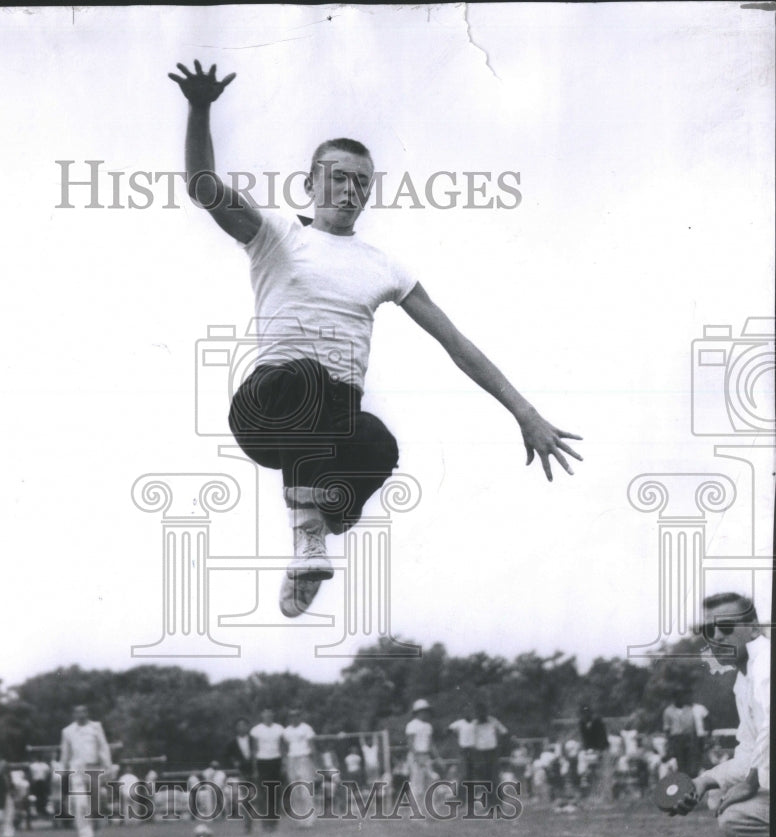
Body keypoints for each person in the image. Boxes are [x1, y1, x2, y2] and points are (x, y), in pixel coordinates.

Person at [169, 60, 583, 618]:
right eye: (337, 177)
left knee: (379, 443)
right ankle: (309, 532)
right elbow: (204, 189)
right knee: (308, 377)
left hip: (333, 419)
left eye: (361, 181)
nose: (349, 189)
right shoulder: (278, 236)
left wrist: (523, 411)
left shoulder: (384, 267)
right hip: (267, 409)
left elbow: (454, 341)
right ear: (309, 183)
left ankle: (329, 515)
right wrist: (200, 108)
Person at [673, 593, 769, 837]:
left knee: (738, 816)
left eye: (726, 627)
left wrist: (750, 784)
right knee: (722, 800)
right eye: (708, 629)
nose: (716, 636)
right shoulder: (744, 678)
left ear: (753, 629)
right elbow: (750, 751)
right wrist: (705, 780)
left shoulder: (766, 665)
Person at [59, 704, 112, 837]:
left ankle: (93, 829)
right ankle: (86, 835)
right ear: (73, 715)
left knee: (95, 805)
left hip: (94, 768)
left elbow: (103, 746)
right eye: (77, 712)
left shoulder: (96, 727)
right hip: (76, 769)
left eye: (83, 712)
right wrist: (62, 772)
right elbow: (65, 754)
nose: (81, 715)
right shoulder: (68, 731)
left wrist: (108, 766)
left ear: (87, 713)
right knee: (81, 803)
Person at [282, 708, 319, 827]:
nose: (294, 718)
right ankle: (300, 819)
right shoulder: (286, 731)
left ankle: (309, 819)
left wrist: (315, 764)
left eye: (296, 716)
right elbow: (285, 748)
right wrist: (285, 762)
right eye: (292, 716)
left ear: (300, 717)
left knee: (306, 790)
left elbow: (312, 747)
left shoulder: (306, 728)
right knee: (295, 790)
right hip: (292, 760)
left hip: (304, 758)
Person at [250, 708, 285, 831]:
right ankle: (265, 821)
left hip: (276, 760)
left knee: (274, 792)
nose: (268, 716)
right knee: (263, 793)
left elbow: (282, 747)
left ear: (273, 715)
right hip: (262, 761)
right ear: (262, 715)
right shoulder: (256, 730)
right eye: (265, 714)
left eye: (270, 714)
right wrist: (254, 768)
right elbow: (254, 750)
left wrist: (283, 764)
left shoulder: (279, 729)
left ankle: (273, 821)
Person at [467, 701, 508, 806]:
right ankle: (489, 803)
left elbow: (504, 732)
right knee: (483, 778)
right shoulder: (473, 724)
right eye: (478, 712)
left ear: (486, 712)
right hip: (479, 753)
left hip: (492, 753)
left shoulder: (493, 721)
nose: (481, 714)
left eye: (482, 711)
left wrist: (500, 746)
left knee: (494, 777)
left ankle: (498, 802)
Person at [405, 699, 437, 816]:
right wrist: (417, 757)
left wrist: (437, 758)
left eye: (427, 711)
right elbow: (410, 743)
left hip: (426, 755)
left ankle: (427, 811)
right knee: (416, 785)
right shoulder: (412, 725)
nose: (426, 713)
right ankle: (415, 813)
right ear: (418, 712)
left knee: (429, 783)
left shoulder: (428, 726)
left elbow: (431, 743)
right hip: (416, 756)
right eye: (424, 711)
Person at [662, 690, 699, 777]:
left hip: (688, 738)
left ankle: (690, 779)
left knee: (690, 762)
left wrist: (694, 739)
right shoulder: (668, 711)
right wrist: (669, 744)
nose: (679, 699)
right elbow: (667, 728)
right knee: (679, 762)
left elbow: (693, 726)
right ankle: (681, 780)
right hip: (676, 738)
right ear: (673, 699)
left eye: (681, 697)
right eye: (676, 697)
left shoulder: (689, 709)